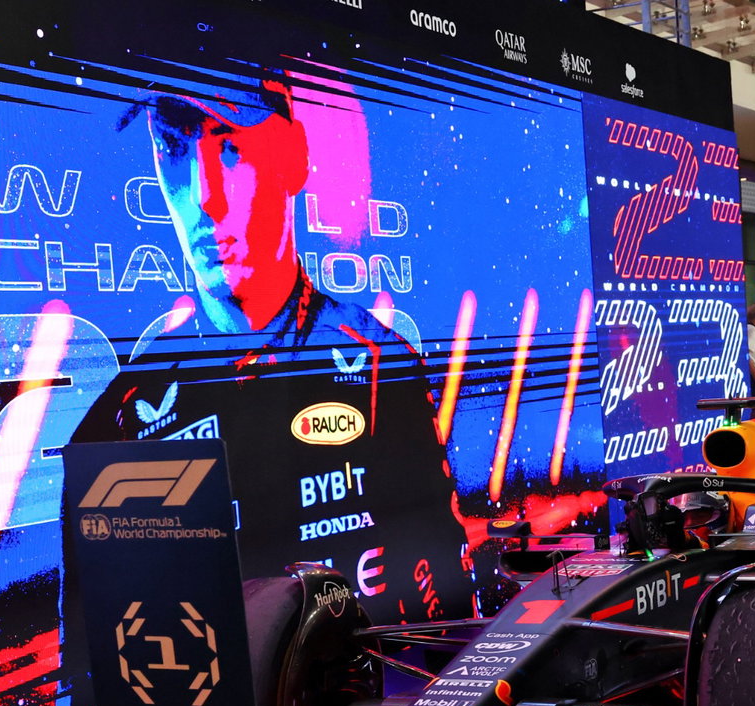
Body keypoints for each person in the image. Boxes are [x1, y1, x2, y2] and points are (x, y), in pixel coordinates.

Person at [74, 74, 468, 623]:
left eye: (230, 147)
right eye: (173, 147)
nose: (204, 196)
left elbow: (441, 622)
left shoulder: (380, 367)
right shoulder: (124, 416)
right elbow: (93, 670)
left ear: (292, 159)